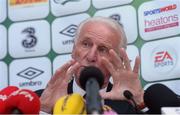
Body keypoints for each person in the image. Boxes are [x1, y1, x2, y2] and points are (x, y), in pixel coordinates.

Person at [39, 16, 144, 114]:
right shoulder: (39, 102)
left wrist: (139, 103)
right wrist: (44, 111)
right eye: (86, 44)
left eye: (102, 49)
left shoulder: (129, 106)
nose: (91, 56)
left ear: (117, 61)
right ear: (74, 50)